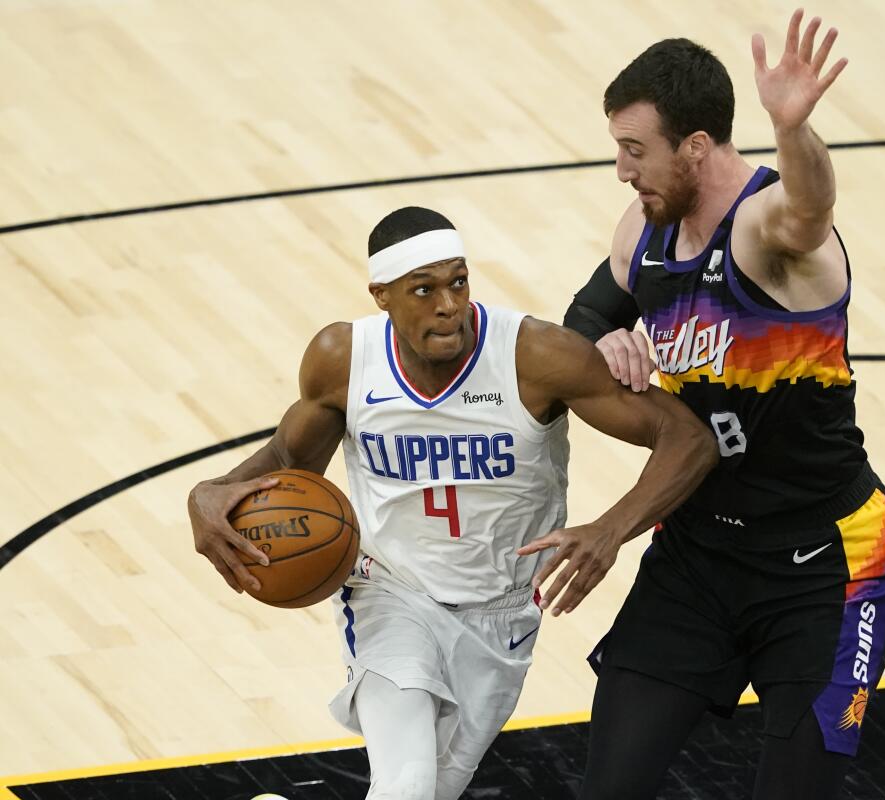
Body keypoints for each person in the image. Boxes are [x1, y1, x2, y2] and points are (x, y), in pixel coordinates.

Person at [187, 206, 718, 800]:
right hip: (389, 593)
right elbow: (289, 463)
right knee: (408, 786)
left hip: (501, 613)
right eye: (425, 289)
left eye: (458, 282)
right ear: (382, 296)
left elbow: (690, 439)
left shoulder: (535, 356)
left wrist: (611, 530)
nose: (449, 304)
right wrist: (209, 495)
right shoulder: (344, 358)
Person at [552, 10, 885, 799]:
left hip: (823, 567)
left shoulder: (762, 231)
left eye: (636, 151)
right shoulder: (642, 233)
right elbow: (581, 320)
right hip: (700, 559)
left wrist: (795, 131)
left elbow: (810, 211)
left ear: (697, 148)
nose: (621, 169)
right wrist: (606, 342)